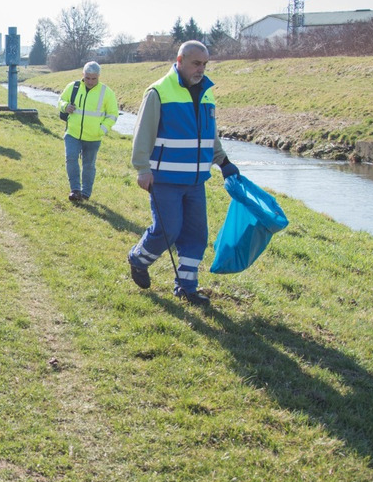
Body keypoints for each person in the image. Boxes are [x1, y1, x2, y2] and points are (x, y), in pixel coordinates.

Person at [127, 41, 239, 306]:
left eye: (204, 64)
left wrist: (223, 162)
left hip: (196, 180)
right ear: (180, 60)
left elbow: (210, 135)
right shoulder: (158, 92)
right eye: (196, 63)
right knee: (168, 232)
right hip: (164, 179)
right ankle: (138, 259)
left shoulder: (207, 93)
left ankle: (187, 287)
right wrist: (142, 169)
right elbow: (142, 135)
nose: (200, 69)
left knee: (196, 235)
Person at [60, 61, 119, 202]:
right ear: (83, 75)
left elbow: (113, 114)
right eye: (88, 78)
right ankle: (75, 190)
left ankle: (85, 194)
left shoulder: (107, 92)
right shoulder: (72, 87)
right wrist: (65, 106)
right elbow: (61, 100)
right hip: (73, 133)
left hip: (93, 137)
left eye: (94, 78)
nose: (90, 81)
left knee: (88, 165)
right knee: (71, 158)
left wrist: (101, 130)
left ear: (99, 76)